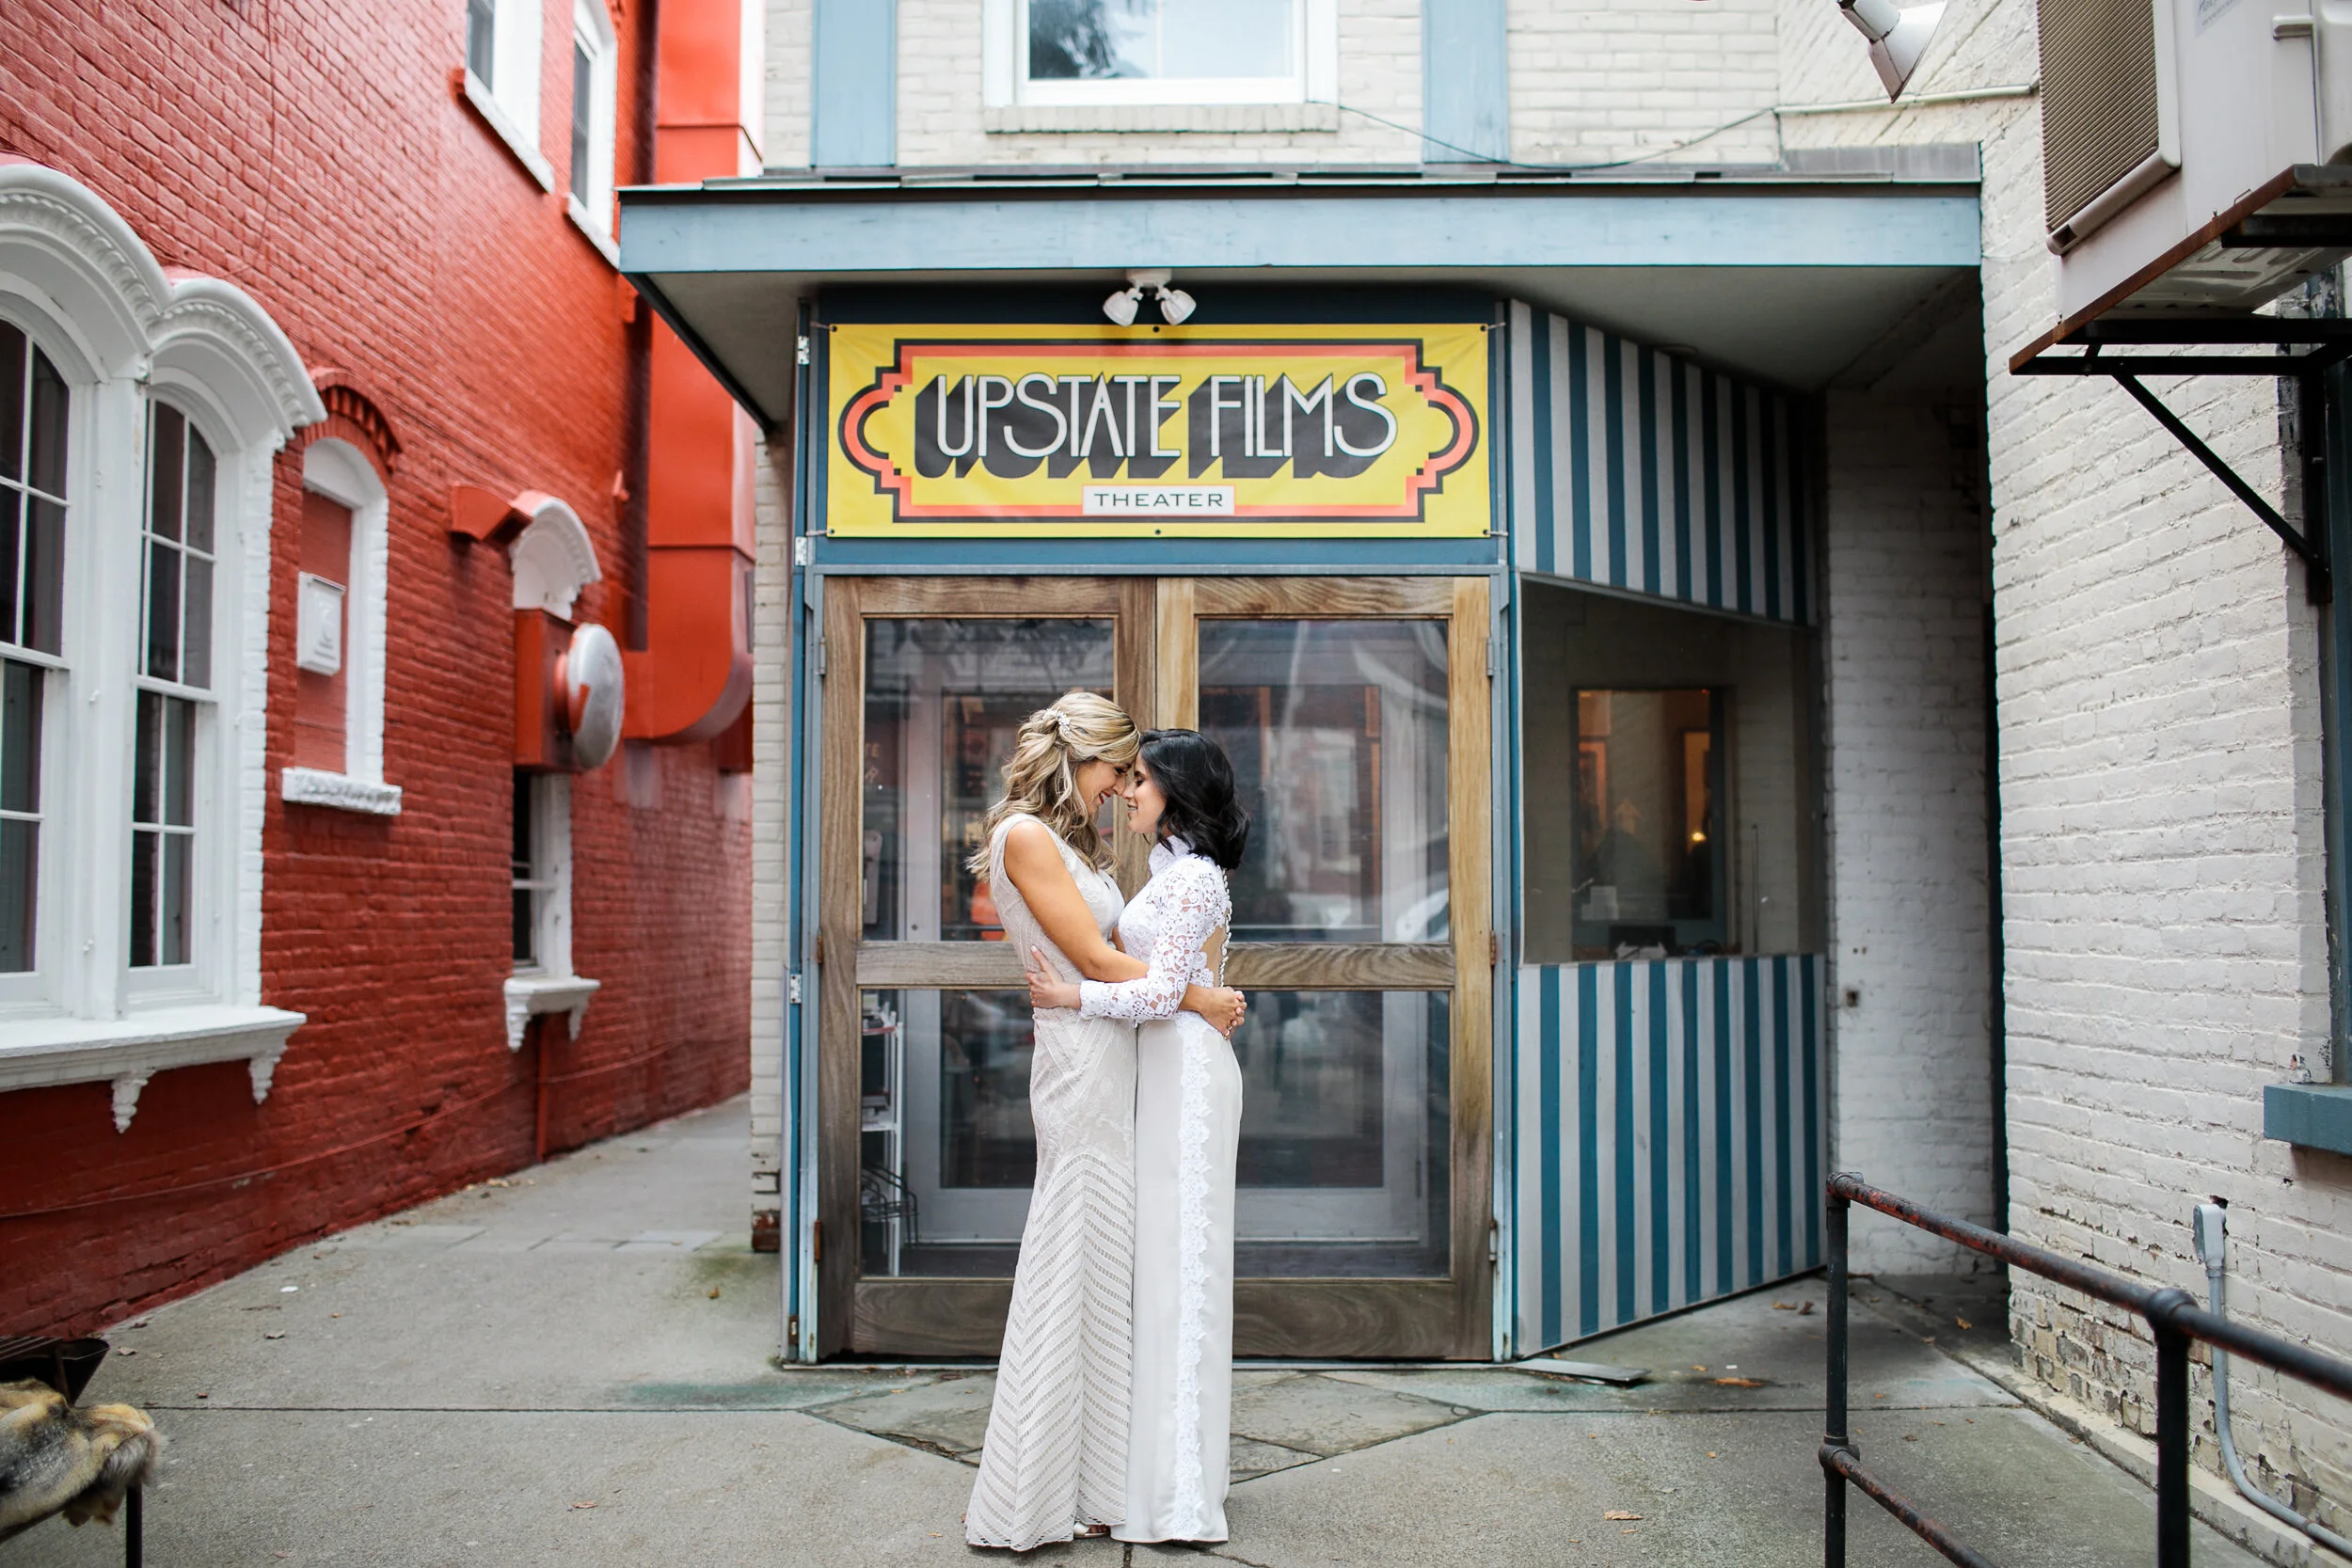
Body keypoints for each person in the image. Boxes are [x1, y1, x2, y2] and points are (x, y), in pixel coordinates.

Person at [965, 695, 1245, 1553]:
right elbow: (1090, 957)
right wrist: (1196, 991)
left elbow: (1122, 955)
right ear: (1080, 759)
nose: (1125, 786)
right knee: (1070, 1256)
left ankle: (1095, 1480)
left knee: (1105, 1270)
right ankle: (1027, 1493)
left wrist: (1177, 989)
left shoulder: (1072, 842)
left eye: (1137, 776)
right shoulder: (1024, 836)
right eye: (1117, 769)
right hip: (1084, 1063)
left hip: (1120, 1052)